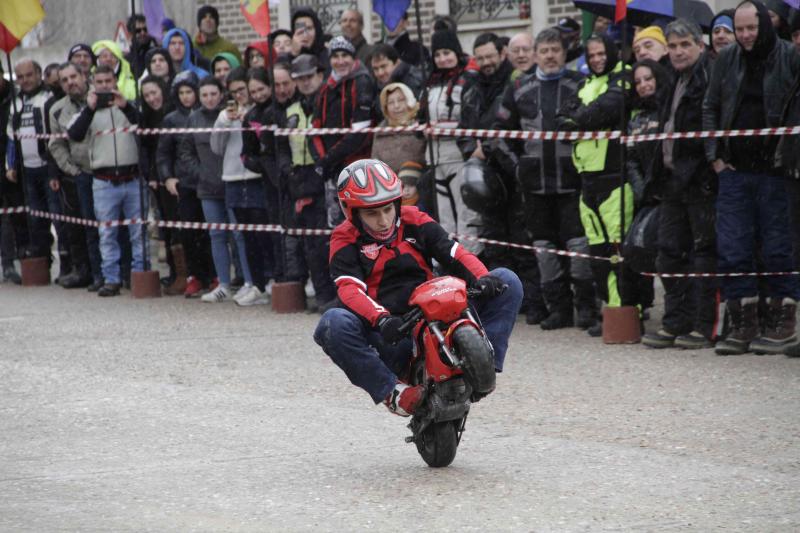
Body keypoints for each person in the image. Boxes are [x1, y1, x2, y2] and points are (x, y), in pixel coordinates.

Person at [313, 159, 522, 415]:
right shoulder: (344, 237)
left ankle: (486, 362)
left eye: (388, 209)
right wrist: (381, 320)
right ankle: (393, 393)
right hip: (391, 330)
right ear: (351, 211)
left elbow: (453, 252)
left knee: (506, 280)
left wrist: (481, 278)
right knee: (331, 323)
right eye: (372, 213)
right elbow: (349, 289)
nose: (383, 220)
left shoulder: (414, 219)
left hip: (434, 311)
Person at [703, 0, 800, 355]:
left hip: (776, 170)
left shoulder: (789, 56)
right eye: (739, 28)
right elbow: (710, 106)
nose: (744, 35)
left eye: (750, 28)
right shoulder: (726, 59)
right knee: (732, 248)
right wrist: (714, 156)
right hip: (733, 171)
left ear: (764, 25)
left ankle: (782, 322)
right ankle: (742, 324)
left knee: (779, 248)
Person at [492, 28, 595, 330]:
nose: (550, 56)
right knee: (545, 251)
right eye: (545, 50)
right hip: (535, 187)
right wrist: (518, 169)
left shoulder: (581, 85)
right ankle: (559, 309)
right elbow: (499, 136)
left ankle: (587, 308)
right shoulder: (519, 88)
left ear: (565, 54)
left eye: (556, 50)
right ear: (536, 54)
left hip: (573, 183)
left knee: (579, 248)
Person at [641, 21, 719, 351]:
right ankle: (675, 321)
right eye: (672, 46)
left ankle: (704, 325)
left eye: (684, 44)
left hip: (700, 180)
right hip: (672, 180)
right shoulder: (672, 79)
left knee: (703, 254)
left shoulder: (709, 76)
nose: (678, 52)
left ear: (700, 45)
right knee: (669, 253)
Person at [557, 33, 634, 336]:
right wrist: (579, 120)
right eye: (592, 55)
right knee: (598, 252)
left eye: (602, 53)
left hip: (614, 177)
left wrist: (578, 120)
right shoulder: (585, 83)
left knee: (619, 250)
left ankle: (627, 307)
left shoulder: (623, 77)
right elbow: (561, 115)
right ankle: (608, 307)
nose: (598, 59)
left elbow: (607, 108)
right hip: (586, 178)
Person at [67, 65, 145, 297]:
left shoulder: (128, 105)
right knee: (107, 234)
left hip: (132, 178)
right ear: (93, 83)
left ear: (114, 80)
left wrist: (126, 106)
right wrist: (90, 109)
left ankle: (139, 274)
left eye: (107, 81)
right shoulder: (87, 110)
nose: (104, 86)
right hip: (103, 181)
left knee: (137, 232)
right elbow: (74, 134)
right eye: (99, 82)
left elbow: (145, 126)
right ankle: (111, 279)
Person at [277, 54, 338, 311]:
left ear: (320, 75)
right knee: (310, 244)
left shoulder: (327, 102)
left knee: (331, 241)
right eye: (300, 78)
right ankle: (322, 295)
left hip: (325, 175)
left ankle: (338, 294)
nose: (305, 82)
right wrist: (287, 170)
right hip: (299, 179)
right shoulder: (291, 110)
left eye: (309, 77)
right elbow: (280, 146)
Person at [179, 76, 243, 302]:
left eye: (213, 94)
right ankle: (223, 283)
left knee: (239, 234)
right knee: (216, 236)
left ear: (221, 94)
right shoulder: (193, 118)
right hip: (207, 187)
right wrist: (201, 173)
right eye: (204, 95)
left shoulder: (230, 113)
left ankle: (247, 281)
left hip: (232, 181)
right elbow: (185, 151)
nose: (209, 99)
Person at [157, 71, 213, 297]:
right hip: (185, 183)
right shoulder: (171, 120)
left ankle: (212, 275)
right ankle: (192, 275)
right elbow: (163, 153)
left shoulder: (206, 115)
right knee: (188, 233)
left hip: (208, 182)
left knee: (210, 232)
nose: (186, 97)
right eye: (181, 93)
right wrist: (167, 176)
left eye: (189, 91)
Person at [48, 62, 103, 291]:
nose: (71, 82)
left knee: (109, 227)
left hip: (108, 170)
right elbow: (56, 145)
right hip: (81, 173)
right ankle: (90, 273)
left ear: (84, 76)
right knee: (86, 227)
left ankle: (116, 272)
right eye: (65, 80)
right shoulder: (57, 110)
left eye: (74, 77)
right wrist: (72, 170)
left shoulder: (101, 98)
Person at [423, 29, 480, 251]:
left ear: (456, 52)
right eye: (437, 54)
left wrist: (443, 128)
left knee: (466, 214)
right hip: (435, 159)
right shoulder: (430, 83)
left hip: (458, 156)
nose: (442, 59)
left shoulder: (468, 80)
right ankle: (448, 260)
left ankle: (472, 261)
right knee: (444, 217)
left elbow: (469, 119)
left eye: (447, 52)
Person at [312, 36, 374, 228]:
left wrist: (329, 158)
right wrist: (322, 160)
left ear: (353, 58)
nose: (340, 61)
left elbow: (360, 133)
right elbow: (315, 128)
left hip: (356, 164)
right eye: (335, 56)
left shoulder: (362, 81)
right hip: (331, 168)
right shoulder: (325, 87)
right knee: (338, 225)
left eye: (345, 55)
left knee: (361, 221)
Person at [209, 66, 256, 304]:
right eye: (234, 92)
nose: (239, 96)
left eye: (242, 90)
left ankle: (255, 281)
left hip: (254, 177)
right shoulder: (224, 115)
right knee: (237, 235)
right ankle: (247, 281)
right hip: (232, 177)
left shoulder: (256, 110)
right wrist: (225, 122)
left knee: (254, 235)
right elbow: (216, 148)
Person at [5, 59, 57, 268]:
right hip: (27, 170)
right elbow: (11, 136)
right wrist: (11, 165)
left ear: (38, 74)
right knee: (35, 219)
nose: (25, 80)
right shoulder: (16, 102)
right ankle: (42, 261)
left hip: (48, 167)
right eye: (20, 77)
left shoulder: (48, 98)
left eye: (29, 75)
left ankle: (71, 261)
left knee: (58, 216)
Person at [237, 66, 280, 305]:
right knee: (268, 233)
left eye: (262, 89)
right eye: (253, 91)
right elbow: (245, 155)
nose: (258, 94)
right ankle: (270, 278)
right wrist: (262, 163)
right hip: (265, 180)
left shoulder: (278, 110)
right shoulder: (250, 117)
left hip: (285, 175)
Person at [138, 74, 177, 287]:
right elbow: (146, 150)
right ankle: (174, 271)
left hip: (175, 174)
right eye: (147, 95)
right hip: (156, 177)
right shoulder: (146, 118)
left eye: (154, 92)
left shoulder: (172, 112)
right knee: (166, 228)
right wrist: (151, 175)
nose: (152, 98)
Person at [0, 62, 25, 284]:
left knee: (14, 215)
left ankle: (17, 261)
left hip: (12, 164)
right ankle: (6, 262)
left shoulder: (16, 98)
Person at [371, 83, 425, 172]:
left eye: (401, 100)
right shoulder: (381, 131)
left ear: (410, 101)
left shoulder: (421, 125)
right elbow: (375, 165)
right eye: (391, 102)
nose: (396, 106)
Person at [369, 43, 424, 115]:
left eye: (384, 66)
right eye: (375, 69)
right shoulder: (375, 85)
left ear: (397, 63)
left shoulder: (414, 80)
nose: (380, 73)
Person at [291, 8, 330, 75]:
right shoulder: (286, 58)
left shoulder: (329, 56)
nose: (305, 35)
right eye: (299, 30)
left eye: (309, 28)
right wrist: (294, 55)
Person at [125, 13, 158, 79]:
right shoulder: (126, 60)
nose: (142, 33)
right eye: (138, 31)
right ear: (130, 34)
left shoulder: (156, 54)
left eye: (145, 29)